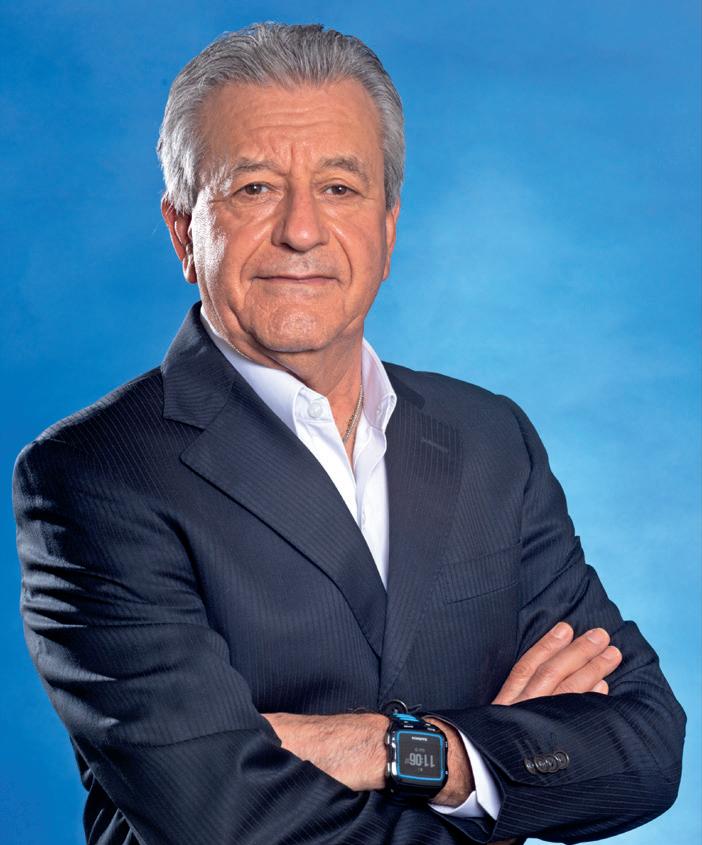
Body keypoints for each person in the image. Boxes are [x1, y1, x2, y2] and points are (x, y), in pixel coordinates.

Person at [13, 22, 684, 845]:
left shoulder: (490, 438)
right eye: (254, 188)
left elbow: (647, 745)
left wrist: (393, 748)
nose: (301, 229)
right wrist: (496, 782)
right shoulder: (93, 474)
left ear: (388, 227)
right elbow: (218, 820)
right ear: (184, 230)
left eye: (339, 187)